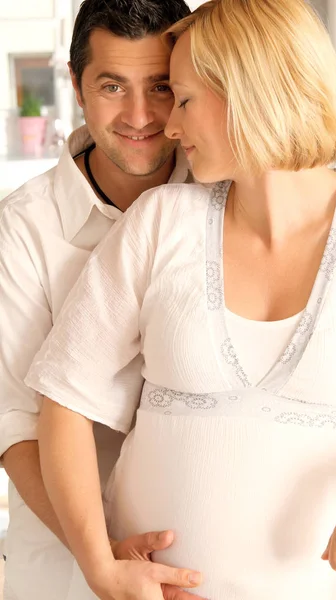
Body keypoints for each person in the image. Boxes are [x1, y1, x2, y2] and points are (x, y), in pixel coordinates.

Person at [22, 0, 336, 599]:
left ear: (251, 91)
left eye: (184, 99)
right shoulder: (162, 219)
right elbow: (62, 399)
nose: (169, 127)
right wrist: (102, 568)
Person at [0, 1, 206, 599]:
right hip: (64, 569)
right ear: (76, 87)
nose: (140, 116)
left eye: (162, 86)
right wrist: (106, 555)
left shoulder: (226, 190)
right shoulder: (22, 229)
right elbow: (16, 427)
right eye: (113, 86)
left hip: (195, 558)